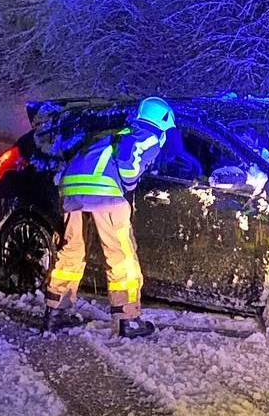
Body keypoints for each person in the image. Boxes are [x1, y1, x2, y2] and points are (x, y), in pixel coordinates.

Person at [42, 96, 174, 337]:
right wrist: (130, 183)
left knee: (72, 251)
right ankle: (128, 319)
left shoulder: (116, 131)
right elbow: (127, 159)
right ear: (164, 120)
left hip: (73, 191)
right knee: (121, 255)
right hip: (106, 194)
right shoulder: (148, 135)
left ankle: (55, 313)